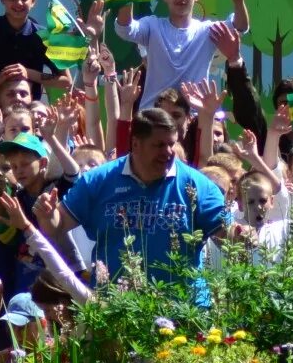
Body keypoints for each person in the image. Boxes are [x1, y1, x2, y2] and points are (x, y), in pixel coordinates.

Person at [44, 108, 231, 302]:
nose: (168, 152)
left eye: (171, 144)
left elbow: (226, 233)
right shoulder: (99, 180)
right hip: (117, 308)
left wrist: (240, 233)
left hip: (183, 309)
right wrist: (47, 215)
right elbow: (57, 225)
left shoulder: (197, 185)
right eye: (159, 145)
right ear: (136, 144)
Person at [105, 0, 250, 103]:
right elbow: (125, 29)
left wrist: (239, 2)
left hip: (193, 117)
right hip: (154, 116)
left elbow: (240, 27)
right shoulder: (153, 26)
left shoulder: (206, 30)